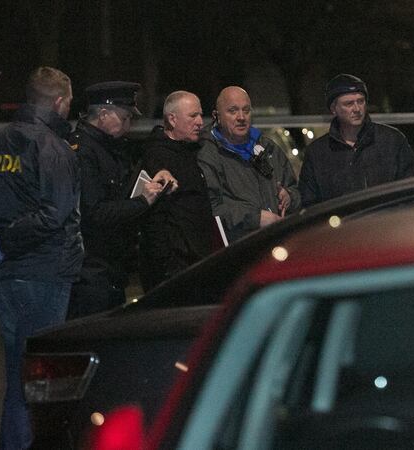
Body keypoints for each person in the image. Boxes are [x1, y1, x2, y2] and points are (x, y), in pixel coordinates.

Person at [0, 66, 82, 450]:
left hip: (3, 276)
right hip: (43, 272)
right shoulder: (53, 148)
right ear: (60, 102)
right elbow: (54, 214)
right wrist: (6, 245)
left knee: (17, 376)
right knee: (39, 380)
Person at [67, 81, 175, 319]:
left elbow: (122, 191)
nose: (129, 125)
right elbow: (94, 213)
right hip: (90, 269)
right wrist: (143, 201)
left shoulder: (111, 147)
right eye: (125, 118)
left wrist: (155, 180)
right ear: (103, 114)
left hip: (111, 267)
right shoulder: (83, 151)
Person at [197, 86, 301, 243]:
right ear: (216, 116)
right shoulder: (208, 154)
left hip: (278, 242)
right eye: (233, 111)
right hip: (239, 247)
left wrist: (289, 197)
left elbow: (297, 192)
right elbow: (210, 207)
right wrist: (256, 218)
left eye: (246, 110)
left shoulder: (268, 148)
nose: (241, 117)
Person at [298, 74, 414, 206]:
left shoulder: (392, 140)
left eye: (361, 101)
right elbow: (309, 202)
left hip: (387, 222)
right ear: (334, 109)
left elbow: (412, 188)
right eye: (348, 103)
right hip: (340, 224)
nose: (357, 109)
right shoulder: (318, 152)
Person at [139, 90, 213, 291]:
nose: (200, 121)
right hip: (175, 267)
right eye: (192, 116)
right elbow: (154, 218)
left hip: (198, 260)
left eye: (200, 114)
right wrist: (168, 266)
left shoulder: (192, 150)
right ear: (172, 119)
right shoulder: (156, 157)